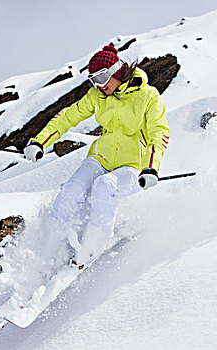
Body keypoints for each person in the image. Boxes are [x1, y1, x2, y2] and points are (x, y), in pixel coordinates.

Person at [24, 45, 170, 265]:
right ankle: (50, 251)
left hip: (132, 165)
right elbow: (67, 117)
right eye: (93, 80)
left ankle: (91, 250)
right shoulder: (98, 96)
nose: (99, 85)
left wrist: (151, 167)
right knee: (70, 192)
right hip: (100, 158)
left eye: (102, 77)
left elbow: (159, 132)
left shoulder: (147, 96)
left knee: (105, 186)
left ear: (116, 70)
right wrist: (39, 141)